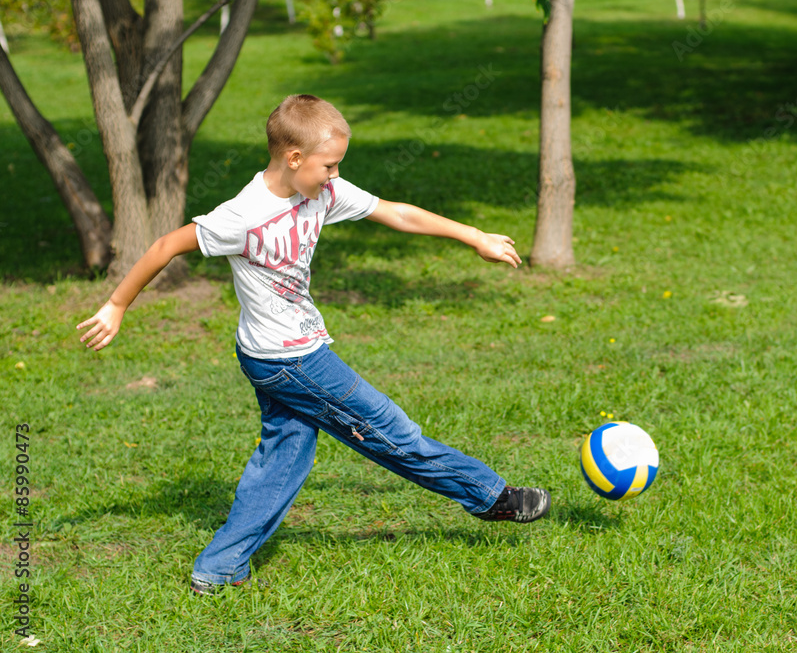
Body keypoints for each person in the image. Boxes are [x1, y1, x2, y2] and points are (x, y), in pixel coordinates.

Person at [77, 94, 551, 595]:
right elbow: (164, 246)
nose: (335, 174)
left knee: (283, 459)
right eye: (329, 165)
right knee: (391, 431)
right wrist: (117, 305)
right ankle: (491, 496)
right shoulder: (245, 215)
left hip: (271, 355)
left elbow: (396, 213)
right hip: (292, 360)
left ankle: (220, 567)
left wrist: (473, 235)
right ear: (293, 157)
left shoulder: (322, 192)